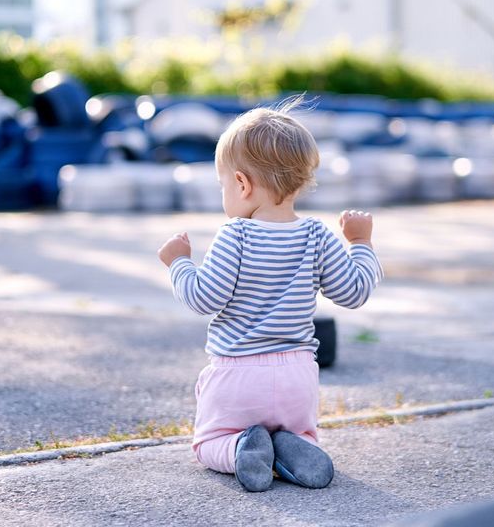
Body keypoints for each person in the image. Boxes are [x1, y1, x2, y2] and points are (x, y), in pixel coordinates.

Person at [157, 100, 383, 492]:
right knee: (299, 433)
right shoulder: (317, 235)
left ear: (242, 184)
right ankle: (294, 446)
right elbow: (354, 292)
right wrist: (361, 242)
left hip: (238, 375)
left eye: (223, 184)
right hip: (298, 376)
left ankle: (241, 446)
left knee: (208, 443)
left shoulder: (236, 235)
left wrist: (179, 263)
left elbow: (202, 298)